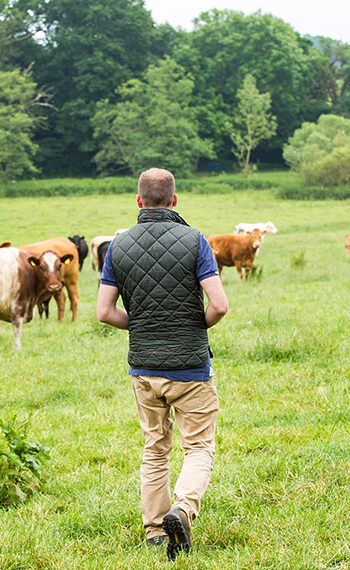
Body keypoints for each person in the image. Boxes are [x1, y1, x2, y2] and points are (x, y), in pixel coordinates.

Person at [96, 168, 229, 561]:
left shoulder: (118, 247)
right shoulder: (195, 240)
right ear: (175, 201)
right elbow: (219, 304)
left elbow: (104, 312)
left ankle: (155, 529)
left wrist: (140, 326)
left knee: (155, 449)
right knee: (199, 446)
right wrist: (194, 326)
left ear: (139, 202)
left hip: (144, 368)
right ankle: (184, 509)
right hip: (190, 367)